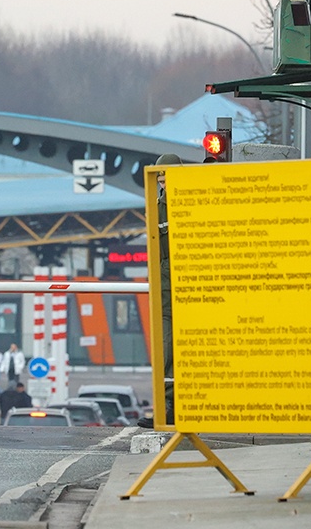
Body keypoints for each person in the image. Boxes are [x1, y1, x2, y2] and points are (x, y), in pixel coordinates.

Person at [139, 153, 181, 430]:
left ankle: (185, 406)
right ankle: (169, 406)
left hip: (195, 282)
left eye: (167, 176)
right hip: (166, 286)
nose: (164, 182)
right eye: (161, 177)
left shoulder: (198, 203)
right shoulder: (156, 208)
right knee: (166, 348)